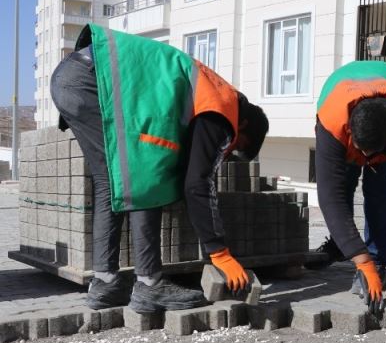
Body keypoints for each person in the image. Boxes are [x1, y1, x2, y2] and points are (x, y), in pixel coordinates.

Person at [51, 24, 269, 313]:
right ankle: (149, 285)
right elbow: (197, 183)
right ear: (243, 126)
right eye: (234, 146)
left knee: (110, 182)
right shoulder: (223, 107)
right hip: (94, 81)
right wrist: (220, 252)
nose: (226, 150)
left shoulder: (207, 89)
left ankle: (105, 284)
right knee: (147, 174)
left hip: (71, 77)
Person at [315, 61, 386, 314]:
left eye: (370, 152)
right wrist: (360, 261)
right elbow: (329, 197)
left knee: (378, 187)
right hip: (338, 87)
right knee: (342, 184)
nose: (364, 156)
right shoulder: (332, 119)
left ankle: (379, 258)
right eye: (360, 148)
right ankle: (350, 249)